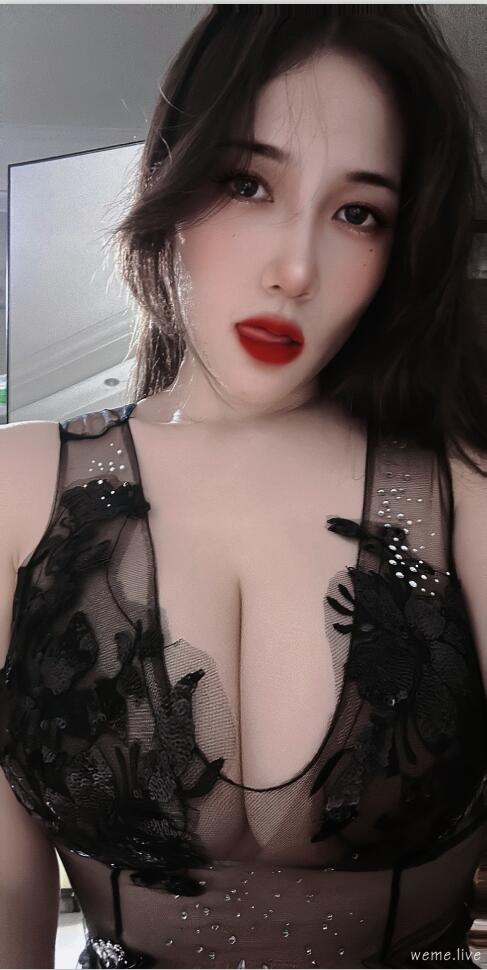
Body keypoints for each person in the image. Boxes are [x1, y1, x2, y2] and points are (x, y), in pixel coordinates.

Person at [1, 6, 487, 968]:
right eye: (247, 182)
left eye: (357, 213)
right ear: (170, 183)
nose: (294, 270)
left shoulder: (463, 497)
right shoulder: (16, 490)